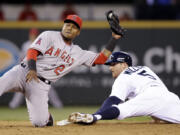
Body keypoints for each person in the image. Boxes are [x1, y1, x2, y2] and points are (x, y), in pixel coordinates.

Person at [0, 14, 122, 127]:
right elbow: (32, 51)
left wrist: (114, 38)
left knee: (40, 122)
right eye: (67, 24)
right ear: (63, 26)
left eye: (74, 27)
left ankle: (47, 118)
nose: (69, 28)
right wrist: (32, 69)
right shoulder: (49, 35)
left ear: (78, 32)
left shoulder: (78, 53)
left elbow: (100, 59)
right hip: (23, 72)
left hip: (40, 84)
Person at [68, 51, 180, 124]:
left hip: (151, 97)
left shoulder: (123, 76)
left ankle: (93, 118)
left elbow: (112, 100)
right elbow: (159, 96)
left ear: (124, 65)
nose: (110, 68)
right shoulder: (145, 68)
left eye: (113, 64)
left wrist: (97, 114)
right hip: (171, 98)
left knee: (121, 110)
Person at [9, 28, 63, 109]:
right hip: (28, 69)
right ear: (30, 35)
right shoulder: (26, 45)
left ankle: (58, 105)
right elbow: (21, 58)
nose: (33, 36)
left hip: (40, 69)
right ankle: (13, 105)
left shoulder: (42, 44)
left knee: (48, 88)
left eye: (34, 35)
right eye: (32, 35)